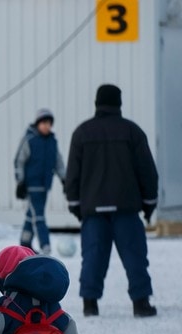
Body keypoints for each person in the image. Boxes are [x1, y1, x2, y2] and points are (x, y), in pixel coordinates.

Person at [64, 84, 159, 318]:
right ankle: (141, 303)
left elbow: (73, 175)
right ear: (119, 103)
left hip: (93, 211)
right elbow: (147, 172)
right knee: (135, 256)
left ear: (97, 103)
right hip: (126, 208)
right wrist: (149, 204)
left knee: (93, 257)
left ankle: (90, 304)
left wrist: (76, 205)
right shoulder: (132, 132)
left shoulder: (82, 133)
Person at [14, 108, 66, 254]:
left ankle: (24, 242)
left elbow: (58, 162)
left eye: (49, 123)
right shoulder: (30, 140)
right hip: (31, 185)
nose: (46, 126)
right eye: (43, 123)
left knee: (32, 216)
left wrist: (65, 179)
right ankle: (46, 246)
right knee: (39, 217)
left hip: (45, 186)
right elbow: (19, 161)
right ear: (37, 124)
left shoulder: (52, 142)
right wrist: (20, 182)